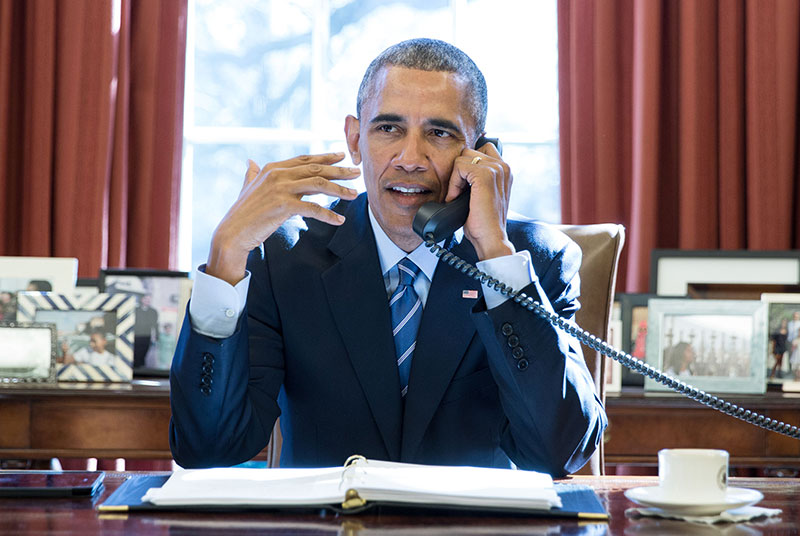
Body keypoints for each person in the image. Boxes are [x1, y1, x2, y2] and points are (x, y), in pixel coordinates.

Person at [169, 38, 606, 476]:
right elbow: (209, 448)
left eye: (439, 132)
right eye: (388, 129)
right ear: (356, 140)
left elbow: (559, 451)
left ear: (481, 152)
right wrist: (225, 256)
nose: (410, 159)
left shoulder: (535, 261)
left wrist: (495, 255)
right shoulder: (283, 255)